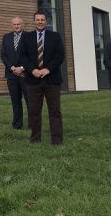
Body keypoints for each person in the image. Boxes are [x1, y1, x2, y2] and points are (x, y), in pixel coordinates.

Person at [20, 11, 65, 145]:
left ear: (46, 21)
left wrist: (48, 69)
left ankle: (57, 141)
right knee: (34, 111)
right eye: (38, 19)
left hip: (52, 80)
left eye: (42, 19)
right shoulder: (26, 37)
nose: (40, 22)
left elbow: (60, 56)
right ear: (34, 21)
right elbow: (22, 56)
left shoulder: (55, 36)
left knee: (55, 111)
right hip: (33, 80)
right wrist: (32, 70)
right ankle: (35, 139)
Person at [0, 16, 30, 129]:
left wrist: (22, 68)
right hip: (11, 74)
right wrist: (12, 68)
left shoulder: (29, 36)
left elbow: (31, 55)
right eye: (14, 24)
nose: (16, 26)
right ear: (12, 25)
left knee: (29, 100)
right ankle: (17, 124)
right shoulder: (6, 37)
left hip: (26, 73)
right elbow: (3, 55)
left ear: (22, 24)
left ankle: (33, 124)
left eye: (18, 24)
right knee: (15, 101)